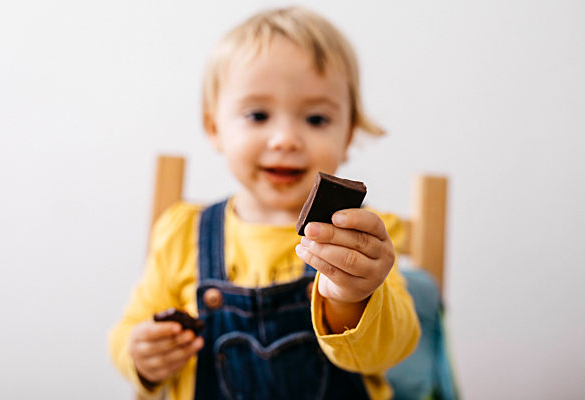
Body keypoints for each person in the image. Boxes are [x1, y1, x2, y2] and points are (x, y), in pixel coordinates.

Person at [109, 6, 420, 400]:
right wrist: (141, 355)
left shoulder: (364, 238)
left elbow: (388, 352)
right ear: (214, 128)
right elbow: (129, 329)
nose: (285, 139)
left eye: (316, 119)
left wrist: (352, 297)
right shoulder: (182, 232)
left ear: (349, 134)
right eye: (258, 115)